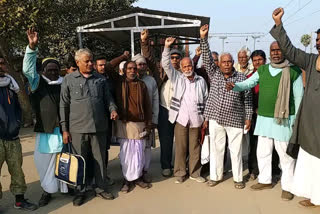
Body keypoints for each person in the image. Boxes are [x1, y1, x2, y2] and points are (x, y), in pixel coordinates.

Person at [226, 40, 304, 200]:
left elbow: (299, 98)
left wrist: (296, 121)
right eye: (273, 50)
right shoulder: (263, 70)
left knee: (285, 156)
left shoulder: (293, 71)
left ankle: (288, 187)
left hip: (284, 120)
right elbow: (248, 83)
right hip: (263, 119)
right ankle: (265, 180)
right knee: (262, 152)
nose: (275, 52)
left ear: (284, 51)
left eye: (278, 49)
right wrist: (235, 86)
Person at [270, 7, 320, 207]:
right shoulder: (310, 60)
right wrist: (279, 24)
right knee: (310, 162)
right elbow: (289, 50)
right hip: (309, 124)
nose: (317, 43)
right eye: (317, 40)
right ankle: (316, 196)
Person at [60, 48, 118, 206]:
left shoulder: (100, 79)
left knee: (99, 159)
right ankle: (80, 191)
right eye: (87, 61)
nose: (91, 63)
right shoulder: (69, 80)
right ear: (78, 62)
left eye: (91, 60)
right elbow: (63, 105)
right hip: (77, 129)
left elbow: (108, 99)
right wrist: (65, 129)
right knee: (80, 162)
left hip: (99, 127)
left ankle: (101, 187)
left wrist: (113, 109)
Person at [200, 24, 253, 189]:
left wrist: (248, 117)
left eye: (229, 61)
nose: (227, 64)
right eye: (224, 62)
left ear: (233, 63)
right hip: (216, 118)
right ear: (220, 64)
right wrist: (203, 38)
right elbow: (207, 58)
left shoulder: (242, 77)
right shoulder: (214, 73)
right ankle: (215, 176)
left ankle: (238, 179)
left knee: (235, 151)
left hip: (236, 119)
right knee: (217, 149)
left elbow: (248, 99)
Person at [23, 29, 68, 207]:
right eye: (49, 70)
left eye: (56, 70)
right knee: (45, 164)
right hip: (46, 132)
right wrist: (31, 48)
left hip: (65, 131)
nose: (53, 73)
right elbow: (27, 69)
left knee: (64, 161)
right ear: (43, 70)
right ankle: (47, 190)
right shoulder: (36, 82)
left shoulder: (64, 83)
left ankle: (67, 188)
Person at [162, 37, 208, 184]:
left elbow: (206, 99)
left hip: (197, 119)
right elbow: (166, 64)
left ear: (193, 66)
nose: (188, 69)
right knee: (181, 148)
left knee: (195, 148)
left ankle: (195, 173)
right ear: (181, 68)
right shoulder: (177, 78)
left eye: (189, 66)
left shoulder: (201, 81)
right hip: (181, 119)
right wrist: (167, 48)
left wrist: (205, 118)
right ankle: (180, 173)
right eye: (185, 67)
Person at [140, 29, 183, 177]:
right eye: (173, 57)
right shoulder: (160, 72)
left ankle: (180, 166)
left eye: (178, 57)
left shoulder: (185, 74)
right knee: (166, 140)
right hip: (165, 109)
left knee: (182, 141)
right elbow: (149, 59)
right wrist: (144, 42)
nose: (175, 60)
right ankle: (166, 165)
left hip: (181, 111)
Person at [0, 55, 38, 211]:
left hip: (13, 137)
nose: (1, 66)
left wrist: (17, 123)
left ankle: (20, 200)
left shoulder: (11, 85)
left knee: (17, 170)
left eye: (2, 63)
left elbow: (18, 107)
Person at [112, 61, 153, 193]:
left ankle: (138, 177)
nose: (132, 71)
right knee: (126, 154)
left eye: (134, 69)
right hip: (124, 124)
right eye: (129, 68)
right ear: (124, 70)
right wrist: (123, 57)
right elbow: (108, 67)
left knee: (139, 153)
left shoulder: (141, 84)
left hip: (140, 124)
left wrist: (149, 123)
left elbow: (147, 105)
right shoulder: (119, 82)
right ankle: (127, 180)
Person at [132, 54, 159, 183]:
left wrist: (154, 120)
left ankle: (144, 172)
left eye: (143, 64)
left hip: (148, 120)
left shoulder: (151, 81)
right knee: (133, 147)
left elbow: (155, 100)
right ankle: (132, 174)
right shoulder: (129, 80)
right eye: (139, 64)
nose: (141, 67)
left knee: (146, 147)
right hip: (133, 121)